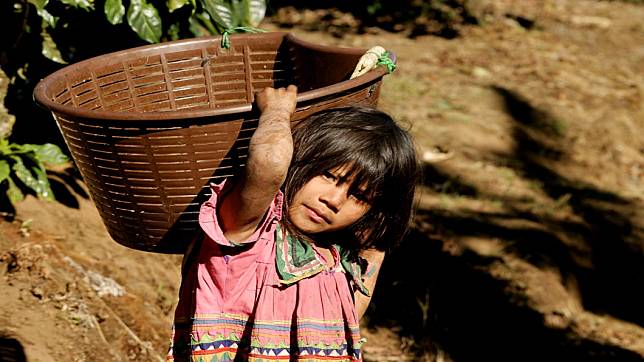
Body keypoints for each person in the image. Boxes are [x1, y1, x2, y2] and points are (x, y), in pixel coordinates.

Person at [167, 85, 419, 361]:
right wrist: (277, 111)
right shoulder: (247, 230)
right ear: (297, 160)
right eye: (328, 175)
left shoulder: (340, 266)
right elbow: (269, 165)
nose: (333, 200)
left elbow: (376, 244)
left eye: (358, 195)